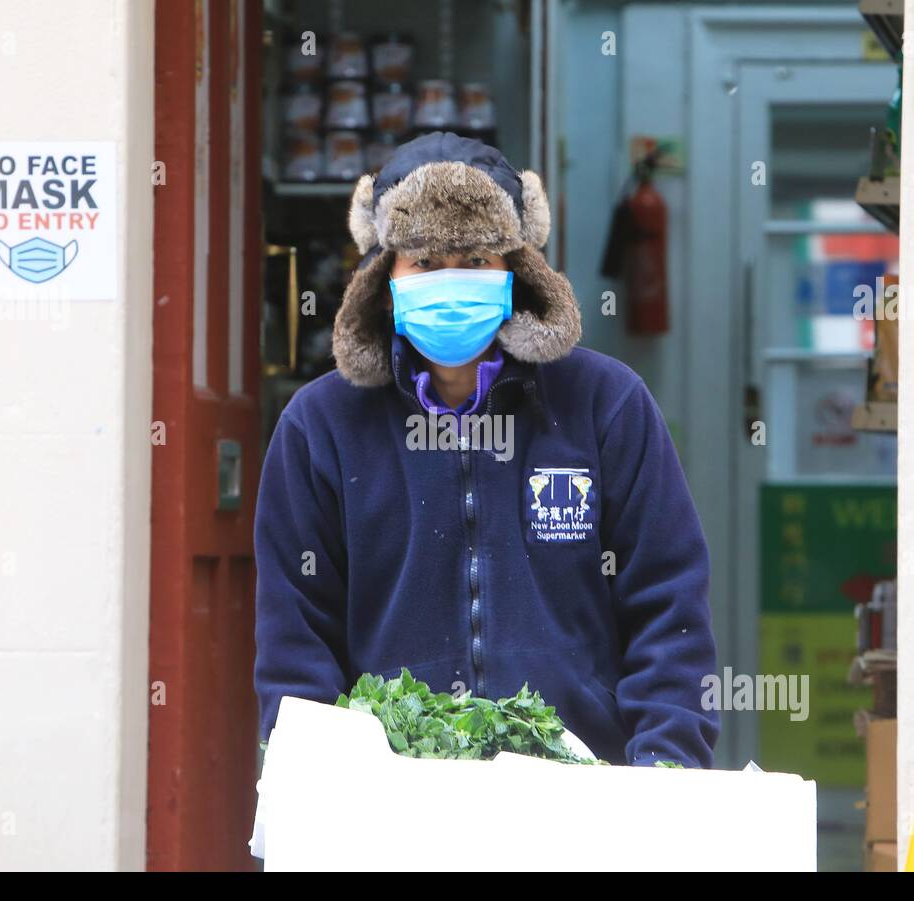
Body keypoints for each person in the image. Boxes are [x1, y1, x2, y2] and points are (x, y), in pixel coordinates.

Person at [254, 132, 719, 767]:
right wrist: (313, 796)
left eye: (474, 262)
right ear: (384, 277)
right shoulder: (320, 426)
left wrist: (667, 771)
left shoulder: (606, 404)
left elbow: (667, 604)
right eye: (424, 262)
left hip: (582, 796)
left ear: (515, 273)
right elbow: (295, 638)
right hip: (391, 808)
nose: (450, 280)